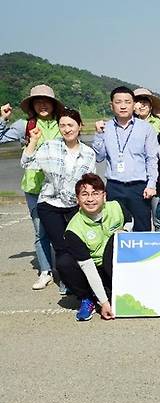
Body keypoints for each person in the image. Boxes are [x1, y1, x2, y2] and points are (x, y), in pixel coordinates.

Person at [21, 108, 96, 291]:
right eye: (62, 125)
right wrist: (34, 141)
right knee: (61, 246)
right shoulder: (50, 146)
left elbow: (89, 182)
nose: (66, 129)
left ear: (80, 126)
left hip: (74, 206)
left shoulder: (88, 153)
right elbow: (26, 162)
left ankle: (79, 278)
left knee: (75, 243)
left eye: (70, 125)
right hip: (49, 203)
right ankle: (66, 282)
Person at [1, 85, 64, 290]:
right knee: (40, 231)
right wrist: (3, 119)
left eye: (46, 101)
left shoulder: (61, 123)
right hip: (34, 186)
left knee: (63, 231)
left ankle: (65, 272)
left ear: (54, 104)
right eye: (38, 101)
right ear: (32, 105)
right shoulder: (25, 125)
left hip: (60, 187)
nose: (43, 104)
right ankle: (45, 271)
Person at [58, 174, 132, 321]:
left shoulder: (116, 207)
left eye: (95, 194)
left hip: (115, 264)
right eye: (85, 195)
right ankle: (87, 298)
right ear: (78, 200)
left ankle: (117, 288)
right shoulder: (73, 230)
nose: (90, 199)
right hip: (93, 268)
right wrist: (104, 303)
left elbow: (130, 220)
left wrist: (125, 231)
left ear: (104, 196)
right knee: (64, 262)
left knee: (115, 239)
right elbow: (88, 268)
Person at [93, 86, 158, 232]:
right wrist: (98, 135)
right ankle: (115, 255)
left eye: (127, 102)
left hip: (139, 187)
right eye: (118, 102)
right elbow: (99, 157)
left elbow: (152, 159)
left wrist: (151, 184)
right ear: (112, 105)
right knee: (114, 227)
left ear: (133, 104)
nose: (123, 106)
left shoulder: (146, 128)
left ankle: (142, 255)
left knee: (142, 228)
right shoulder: (106, 127)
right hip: (114, 186)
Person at [133, 87, 160, 232]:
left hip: (156, 176)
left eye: (145, 102)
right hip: (135, 177)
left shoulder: (159, 124)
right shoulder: (126, 124)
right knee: (139, 218)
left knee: (159, 218)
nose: (141, 105)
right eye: (138, 102)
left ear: (151, 106)